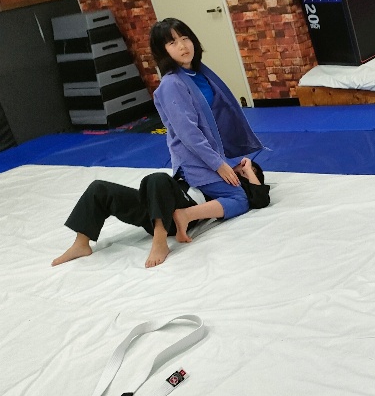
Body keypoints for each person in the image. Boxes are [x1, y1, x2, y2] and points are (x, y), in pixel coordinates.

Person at [52, 17, 269, 268]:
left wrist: (233, 166)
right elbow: (188, 133)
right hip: (193, 167)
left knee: (125, 186)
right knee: (149, 183)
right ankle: (94, 242)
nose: (183, 45)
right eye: (173, 42)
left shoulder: (199, 74)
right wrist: (219, 164)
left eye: (185, 38)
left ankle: (157, 230)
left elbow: (256, 194)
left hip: (168, 201)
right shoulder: (172, 84)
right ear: (162, 50)